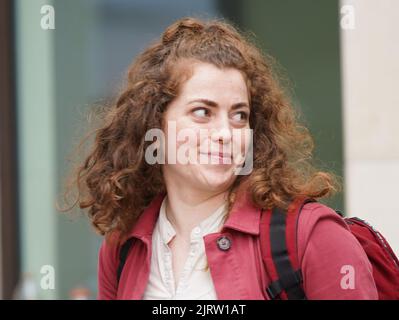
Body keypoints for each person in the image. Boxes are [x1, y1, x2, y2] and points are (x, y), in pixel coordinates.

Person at [65, 17, 378, 300]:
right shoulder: (121, 248)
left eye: (239, 116)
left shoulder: (312, 234)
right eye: (203, 112)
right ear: (154, 124)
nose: (226, 133)